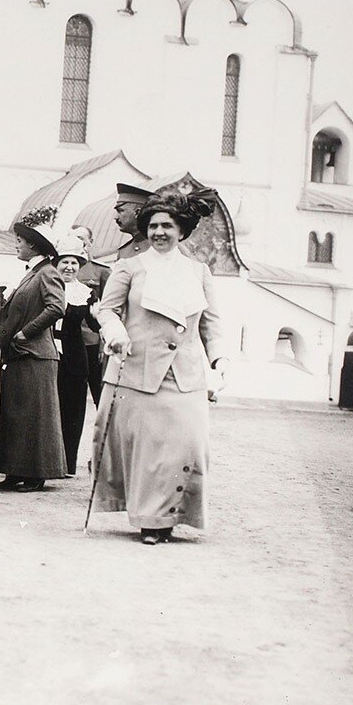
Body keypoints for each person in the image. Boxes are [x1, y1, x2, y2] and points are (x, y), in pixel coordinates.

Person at [91, 187, 229, 545]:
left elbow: (211, 322)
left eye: (167, 225)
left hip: (186, 374)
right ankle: (153, 522)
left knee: (187, 444)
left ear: (181, 229)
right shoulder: (130, 268)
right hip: (139, 371)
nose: (159, 233)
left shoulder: (198, 271)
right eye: (152, 226)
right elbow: (107, 310)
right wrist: (116, 333)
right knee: (151, 452)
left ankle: (173, 516)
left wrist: (221, 360)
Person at [0, 205, 67, 492]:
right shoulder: (31, 273)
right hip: (21, 355)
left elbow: (55, 308)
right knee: (17, 414)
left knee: (35, 416)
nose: (16, 245)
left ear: (32, 245)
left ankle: (36, 474)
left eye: (20, 241)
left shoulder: (47, 272)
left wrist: (24, 333)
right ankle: (15, 470)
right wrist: (4, 336)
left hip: (36, 354)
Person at [52, 235, 101, 478]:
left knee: (72, 409)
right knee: (50, 407)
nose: (69, 268)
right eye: (64, 263)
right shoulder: (47, 287)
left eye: (74, 263)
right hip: (49, 353)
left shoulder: (86, 293)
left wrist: (97, 314)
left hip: (73, 356)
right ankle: (48, 461)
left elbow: (95, 324)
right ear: (56, 264)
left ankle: (67, 463)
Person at [71, 224, 111, 403]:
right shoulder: (64, 267)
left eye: (81, 239)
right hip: (69, 340)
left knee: (99, 392)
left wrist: (104, 344)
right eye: (73, 238)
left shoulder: (101, 271)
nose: (77, 243)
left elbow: (110, 309)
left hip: (92, 341)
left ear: (90, 242)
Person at [112, 182, 156, 262]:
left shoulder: (163, 244)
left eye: (120, 211)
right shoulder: (123, 252)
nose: (116, 217)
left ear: (137, 212)